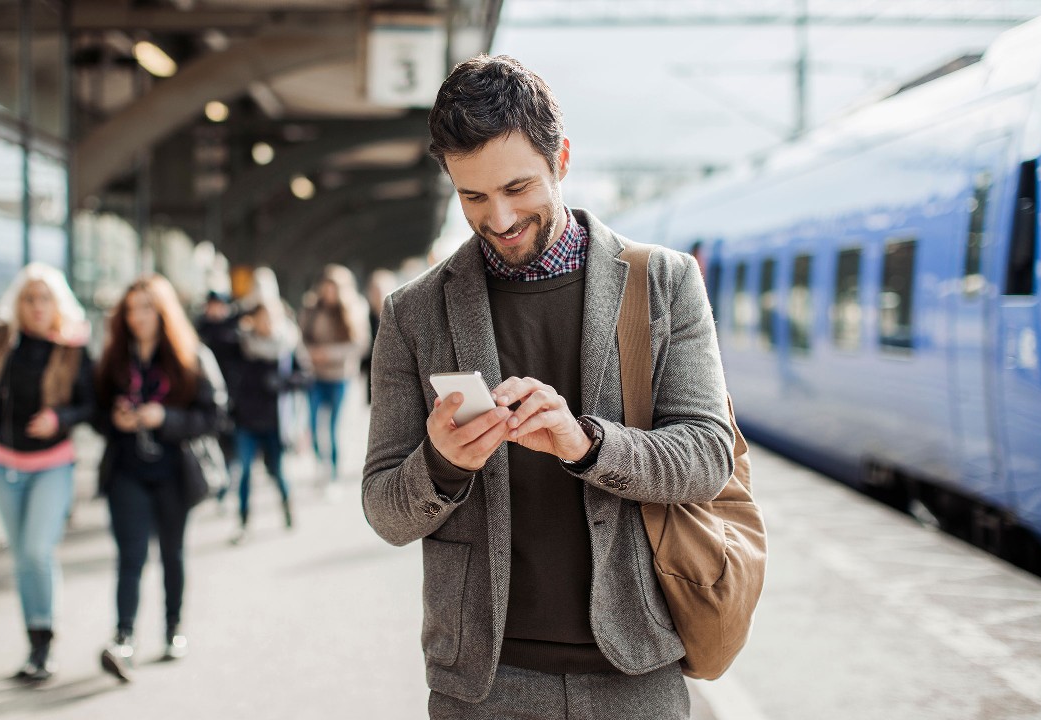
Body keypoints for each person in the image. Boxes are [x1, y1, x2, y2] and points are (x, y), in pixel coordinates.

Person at [361, 55, 735, 717]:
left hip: (637, 669)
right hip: (482, 682)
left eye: (517, 188)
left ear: (561, 157)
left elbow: (708, 457)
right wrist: (442, 465)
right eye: (472, 196)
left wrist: (587, 444)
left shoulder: (663, 284)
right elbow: (386, 510)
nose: (499, 217)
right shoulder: (413, 314)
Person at [93, 274, 229, 682]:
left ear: (164, 311)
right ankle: (124, 639)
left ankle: (173, 629)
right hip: (127, 469)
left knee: (172, 552)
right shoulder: (115, 357)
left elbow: (215, 415)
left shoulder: (191, 356)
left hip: (175, 470)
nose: (138, 317)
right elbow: (95, 409)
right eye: (131, 309)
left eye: (147, 308)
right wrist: (114, 419)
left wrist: (164, 417)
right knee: (131, 555)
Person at [0, 262, 94, 682]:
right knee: (22, 557)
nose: (37, 307)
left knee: (38, 550)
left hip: (51, 465)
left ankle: (46, 638)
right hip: (4, 464)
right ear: (17, 303)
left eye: (45, 299)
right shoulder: (1, 341)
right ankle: (34, 646)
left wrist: (59, 418)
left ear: (58, 303)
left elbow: (90, 404)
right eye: (29, 298)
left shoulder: (73, 347)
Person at [230, 295, 306, 542]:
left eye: (272, 318)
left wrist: (282, 383)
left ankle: (287, 507)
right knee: (243, 473)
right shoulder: (242, 345)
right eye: (262, 318)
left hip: (276, 423)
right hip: (246, 421)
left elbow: (305, 376)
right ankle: (242, 520)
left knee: (278, 472)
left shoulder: (288, 345)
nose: (267, 323)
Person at [298, 264, 368, 487]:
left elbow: (359, 344)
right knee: (313, 423)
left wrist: (327, 354)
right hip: (315, 376)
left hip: (340, 377)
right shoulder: (311, 310)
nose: (328, 292)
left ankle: (335, 473)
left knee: (335, 427)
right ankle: (320, 463)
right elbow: (300, 340)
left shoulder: (353, 309)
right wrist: (311, 355)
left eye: (333, 288)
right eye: (325, 287)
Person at [194, 289, 243, 505]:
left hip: (233, 396)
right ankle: (220, 484)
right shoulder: (200, 328)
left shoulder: (235, 329)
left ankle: (227, 485)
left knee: (230, 445)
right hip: (207, 395)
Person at [362, 269, 398, 404]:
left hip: (393, 376)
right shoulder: (365, 316)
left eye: (382, 290)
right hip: (371, 375)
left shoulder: (398, 317)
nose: (378, 295)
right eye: (375, 291)